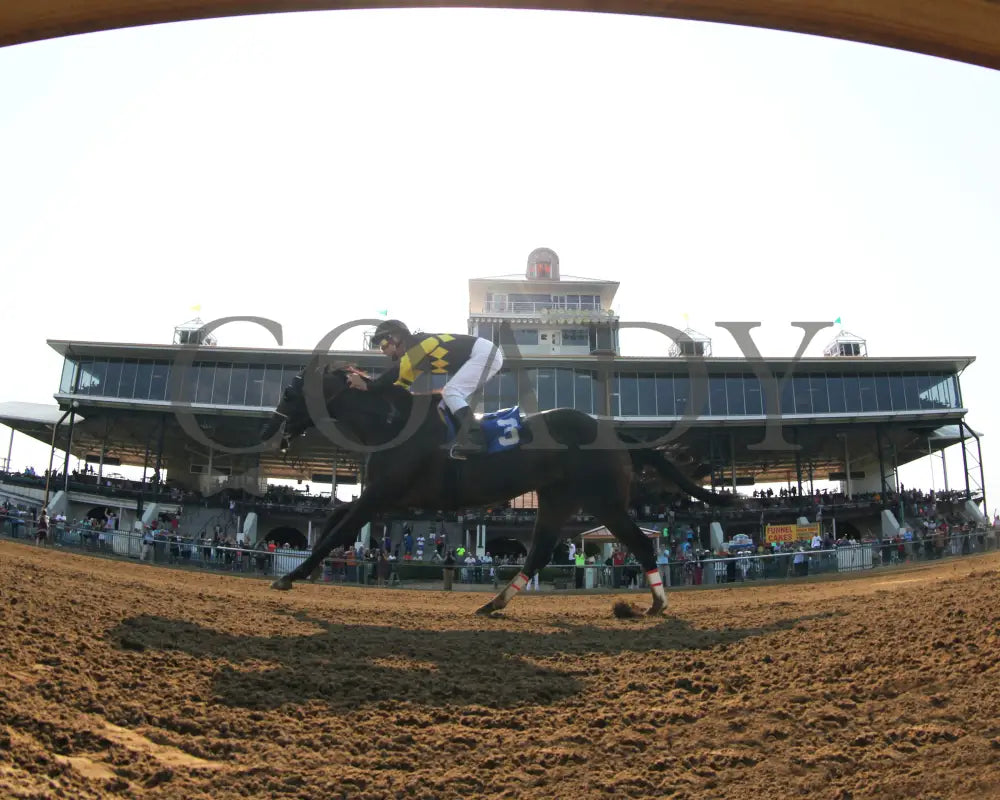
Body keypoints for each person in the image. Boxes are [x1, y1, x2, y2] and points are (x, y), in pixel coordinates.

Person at [347, 319, 504, 456]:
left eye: (382, 344)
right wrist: (367, 387)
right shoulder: (415, 359)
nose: (383, 351)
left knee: (451, 392)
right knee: (444, 402)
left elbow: (394, 374)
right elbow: (396, 387)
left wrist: (367, 385)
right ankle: (459, 438)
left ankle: (476, 439)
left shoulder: (417, 345)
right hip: (483, 354)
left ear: (395, 337)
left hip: (484, 353)